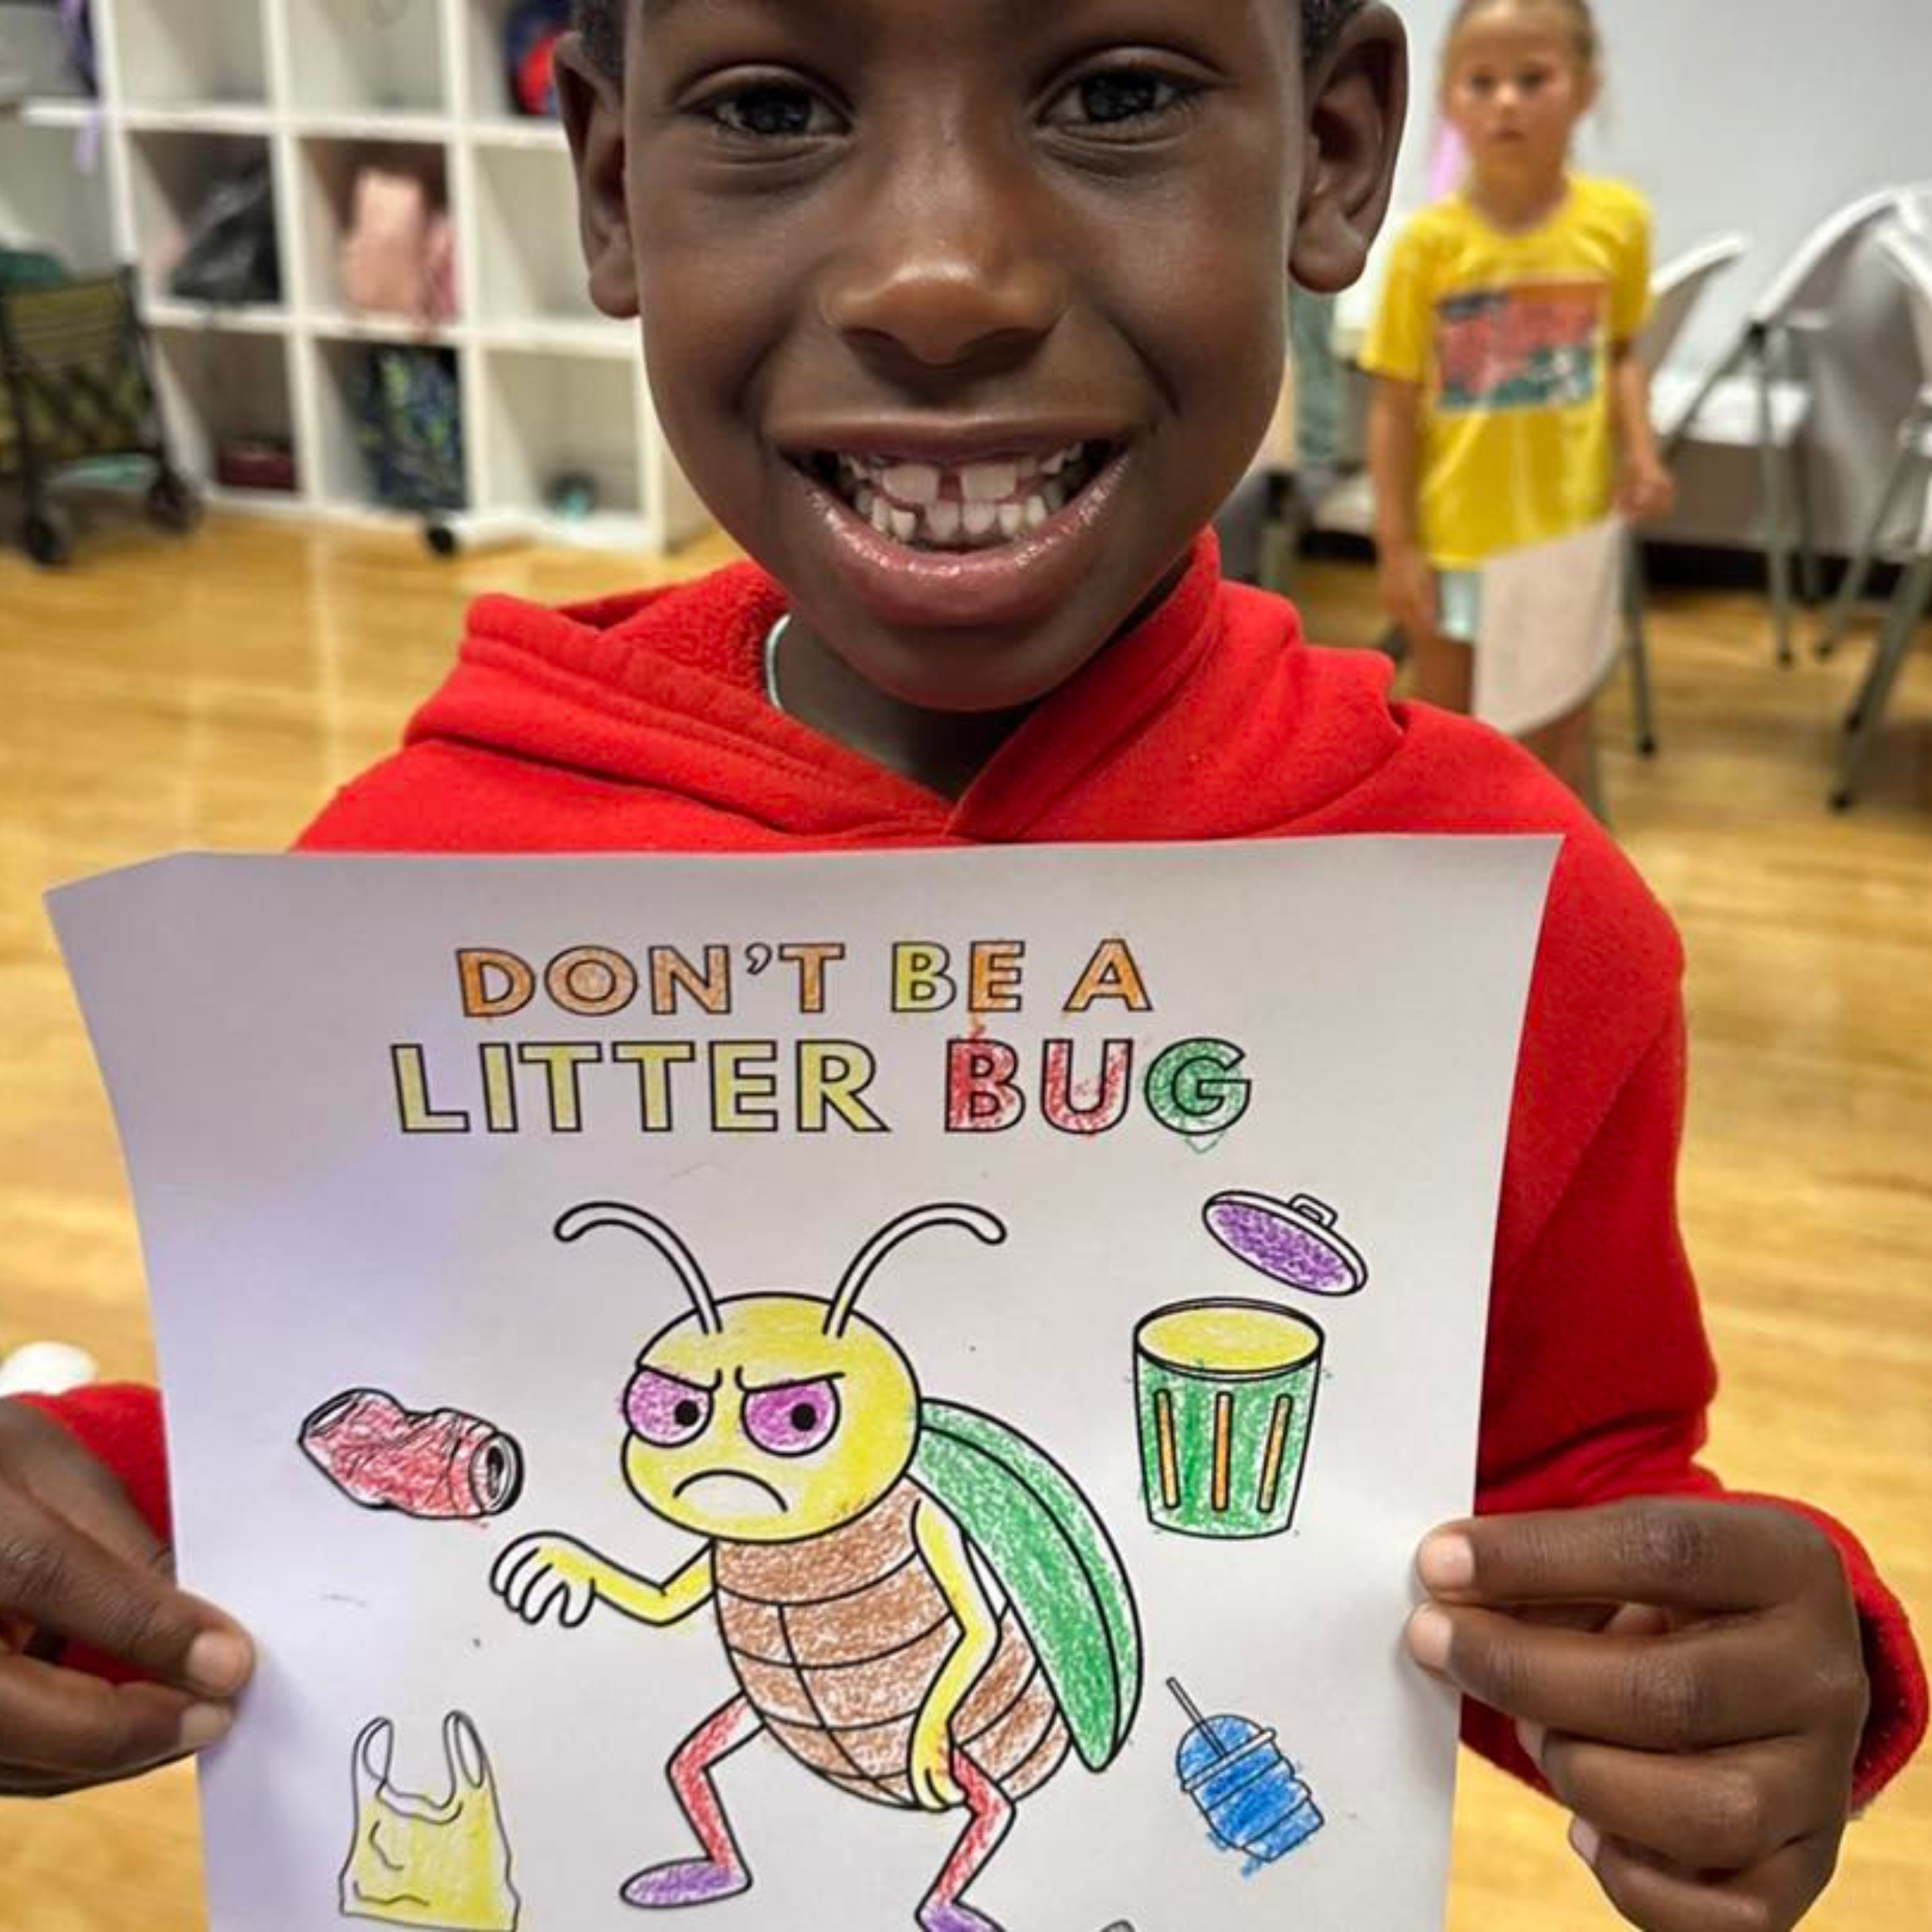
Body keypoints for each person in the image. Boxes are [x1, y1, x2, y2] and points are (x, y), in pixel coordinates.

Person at [0, 3, 1922, 1926]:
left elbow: (1549, 1493)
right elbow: (379, 1412)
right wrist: (91, 1509)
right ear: (610, 185)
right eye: (771, 105)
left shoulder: (1506, 924)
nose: (938, 275)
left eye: (1116, 93)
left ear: (1331, 156)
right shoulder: (407, 911)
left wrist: (1724, 1673)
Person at [1364, 0, 1676, 801]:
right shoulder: (1425, 248)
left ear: (1584, 87)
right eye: (1481, 81)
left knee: (1551, 750)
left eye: (1532, 79)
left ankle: (1552, 867)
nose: (1505, 101)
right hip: (1457, 541)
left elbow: (1618, 353)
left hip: (1567, 541)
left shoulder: (1617, 223)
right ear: (1448, 98)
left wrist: (1641, 453)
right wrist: (1397, 548)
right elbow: (1393, 406)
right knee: (1451, 743)